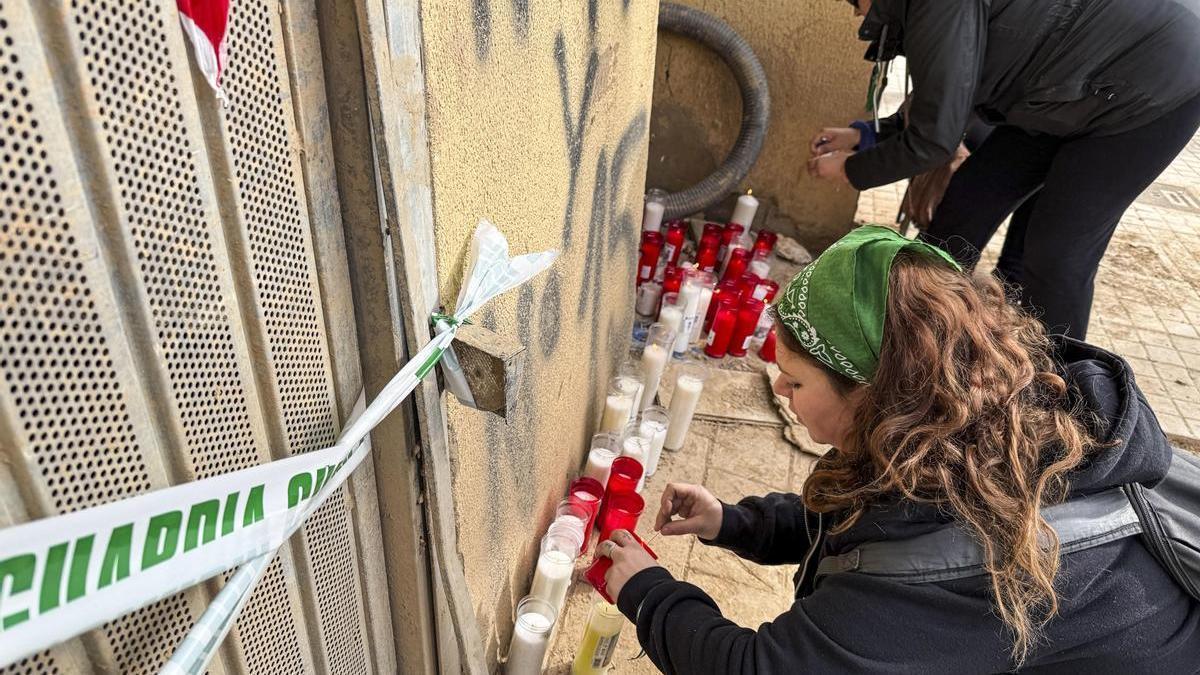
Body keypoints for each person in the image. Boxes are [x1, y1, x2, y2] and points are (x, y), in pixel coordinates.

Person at [597, 225, 1199, 672]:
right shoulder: (966, 421)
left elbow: (759, 667)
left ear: (872, 397)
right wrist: (736, 521)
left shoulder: (971, 566)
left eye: (797, 380)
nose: (778, 388)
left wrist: (646, 592)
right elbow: (876, 526)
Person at [806, 0, 1200, 340]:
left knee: (1056, 254)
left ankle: (1066, 398)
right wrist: (870, 136)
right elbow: (953, 90)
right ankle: (912, 332)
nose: (859, 18)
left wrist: (855, 170)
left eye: (855, 7)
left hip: (1153, 84)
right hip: (1065, 86)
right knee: (969, 198)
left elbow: (934, 139)